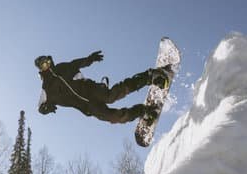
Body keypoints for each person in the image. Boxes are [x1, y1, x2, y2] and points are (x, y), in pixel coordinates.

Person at [35, 51, 171, 124]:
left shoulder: (62, 68)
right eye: (43, 65)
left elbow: (76, 63)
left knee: (111, 96)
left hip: (90, 89)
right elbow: (40, 106)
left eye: (47, 62)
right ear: (40, 69)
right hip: (87, 107)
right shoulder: (46, 88)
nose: (47, 65)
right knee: (113, 117)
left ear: (50, 61)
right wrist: (45, 108)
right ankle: (142, 111)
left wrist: (89, 59)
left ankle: (150, 77)